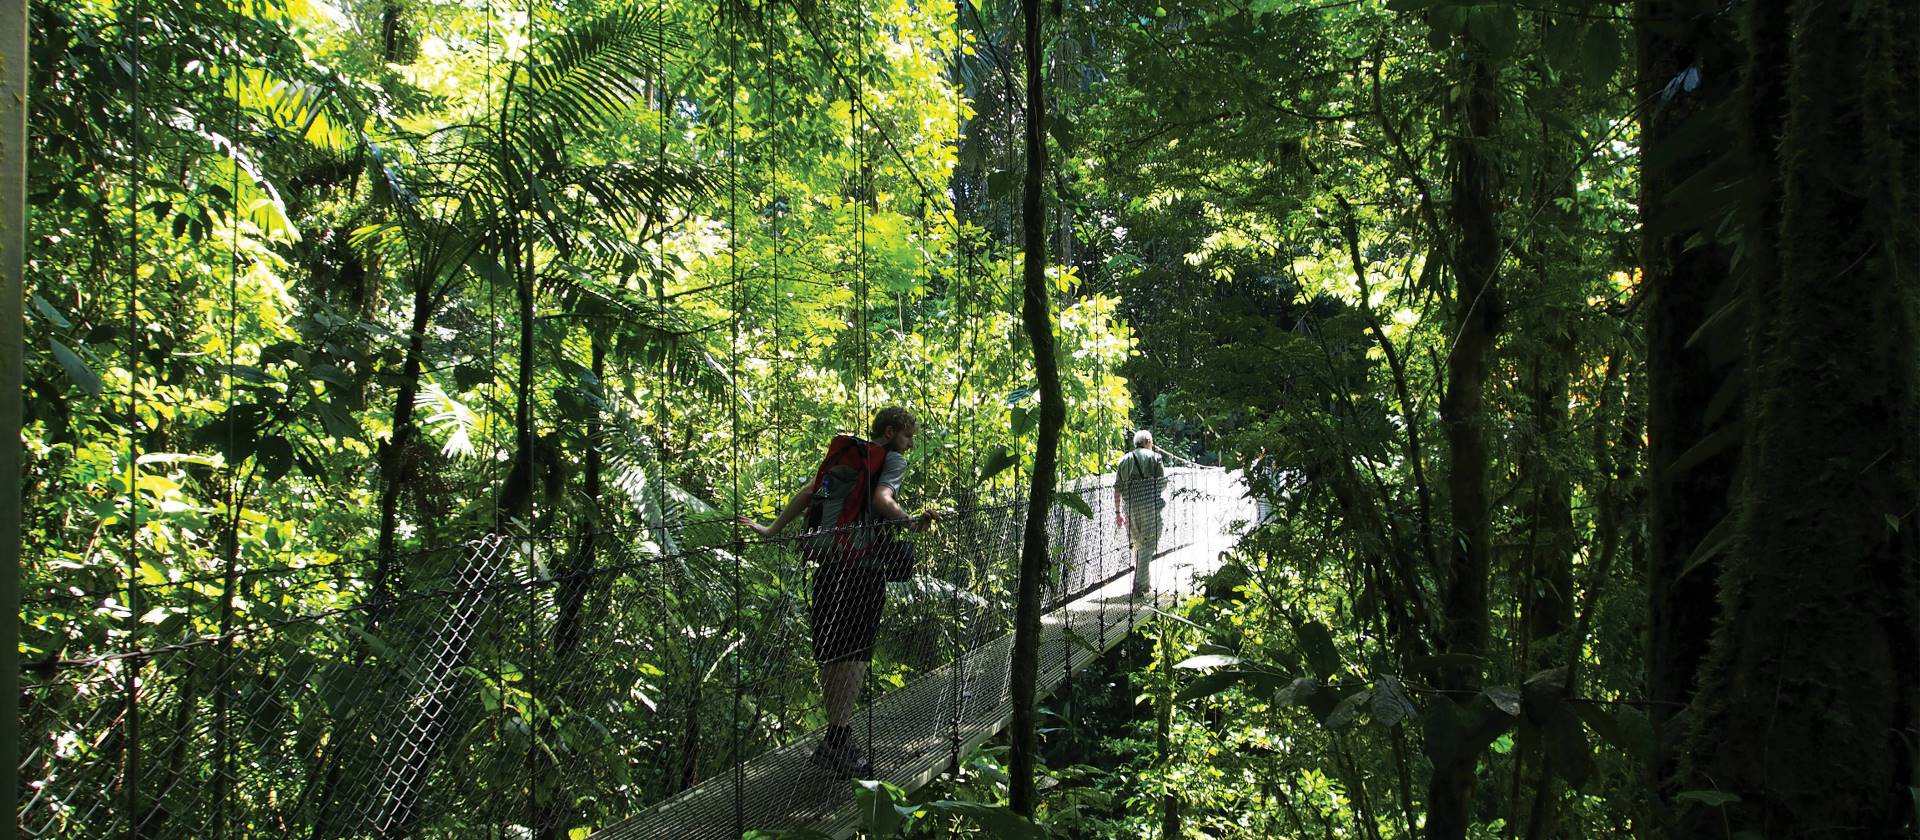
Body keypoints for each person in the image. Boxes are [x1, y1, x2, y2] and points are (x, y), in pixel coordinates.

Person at [739, 406, 939, 777]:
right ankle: (839, 739)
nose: (911, 445)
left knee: (833, 650)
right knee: (857, 651)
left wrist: (771, 529)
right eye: (909, 436)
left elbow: (812, 493)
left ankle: (835, 738)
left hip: (830, 564)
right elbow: (882, 500)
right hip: (862, 568)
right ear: (892, 432)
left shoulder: (847, 456)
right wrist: (911, 522)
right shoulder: (890, 460)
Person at [1113, 429, 1190, 594]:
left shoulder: (1124, 460)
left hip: (1130, 508)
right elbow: (1161, 483)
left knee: (1138, 545)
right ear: (1148, 441)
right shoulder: (1155, 457)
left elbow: (1117, 488)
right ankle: (1139, 585)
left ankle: (1145, 584)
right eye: (1152, 442)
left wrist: (1117, 512)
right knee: (1149, 544)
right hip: (1149, 507)